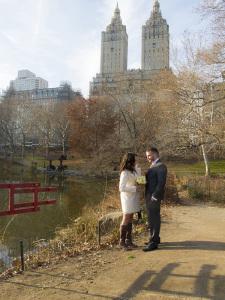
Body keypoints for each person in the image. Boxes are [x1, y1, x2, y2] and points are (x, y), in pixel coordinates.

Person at [143, 147, 167, 252]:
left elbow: (161, 183)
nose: (147, 157)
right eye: (147, 156)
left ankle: (154, 242)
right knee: (151, 217)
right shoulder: (153, 165)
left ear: (155, 154)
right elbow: (151, 181)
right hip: (149, 195)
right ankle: (155, 238)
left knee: (154, 218)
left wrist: (155, 195)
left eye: (149, 155)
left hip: (154, 197)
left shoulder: (161, 166)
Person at [119, 153, 141, 249]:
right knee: (126, 217)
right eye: (135, 159)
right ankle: (122, 242)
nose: (137, 161)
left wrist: (139, 171)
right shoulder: (124, 172)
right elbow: (121, 187)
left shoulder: (135, 170)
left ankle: (129, 240)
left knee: (131, 217)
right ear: (130, 160)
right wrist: (134, 188)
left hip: (134, 197)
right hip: (127, 198)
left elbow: (140, 182)